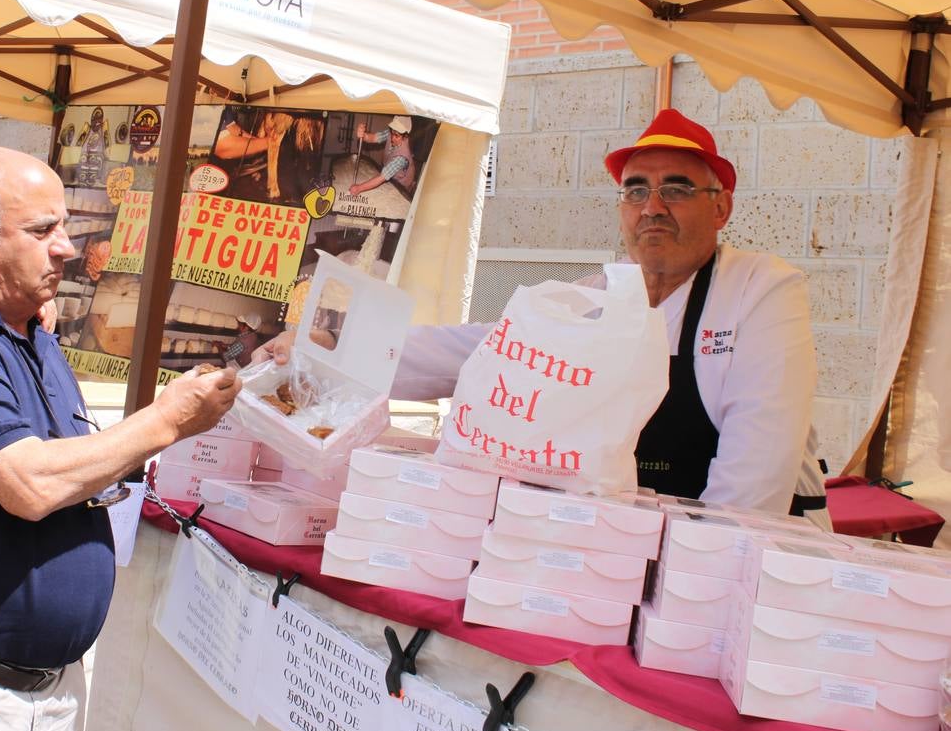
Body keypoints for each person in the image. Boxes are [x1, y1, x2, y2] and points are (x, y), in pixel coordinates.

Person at [258, 109, 829, 523]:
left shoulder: (761, 291)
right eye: (636, 191)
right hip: (625, 546)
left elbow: (754, 481)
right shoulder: (601, 294)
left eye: (676, 189)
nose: (652, 207)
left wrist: (690, 581)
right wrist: (321, 342)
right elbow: (475, 351)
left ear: (721, 206)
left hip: (751, 564)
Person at [0, 147, 241, 731]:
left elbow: (79, 460)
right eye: (42, 230)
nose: (66, 246)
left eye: (63, 226)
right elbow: (31, 484)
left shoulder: (33, 333)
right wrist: (167, 421)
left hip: (44, 696)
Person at [349, 114, 416, 197]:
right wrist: (364, 135)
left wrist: (359, 188)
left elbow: (382, 177)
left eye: (397, 136)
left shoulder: (402, 157)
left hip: (401, 187)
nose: (392, 138)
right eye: (392, 133)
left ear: (405, 136)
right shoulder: (393, 132)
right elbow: (374, 138)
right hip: (390, 178)